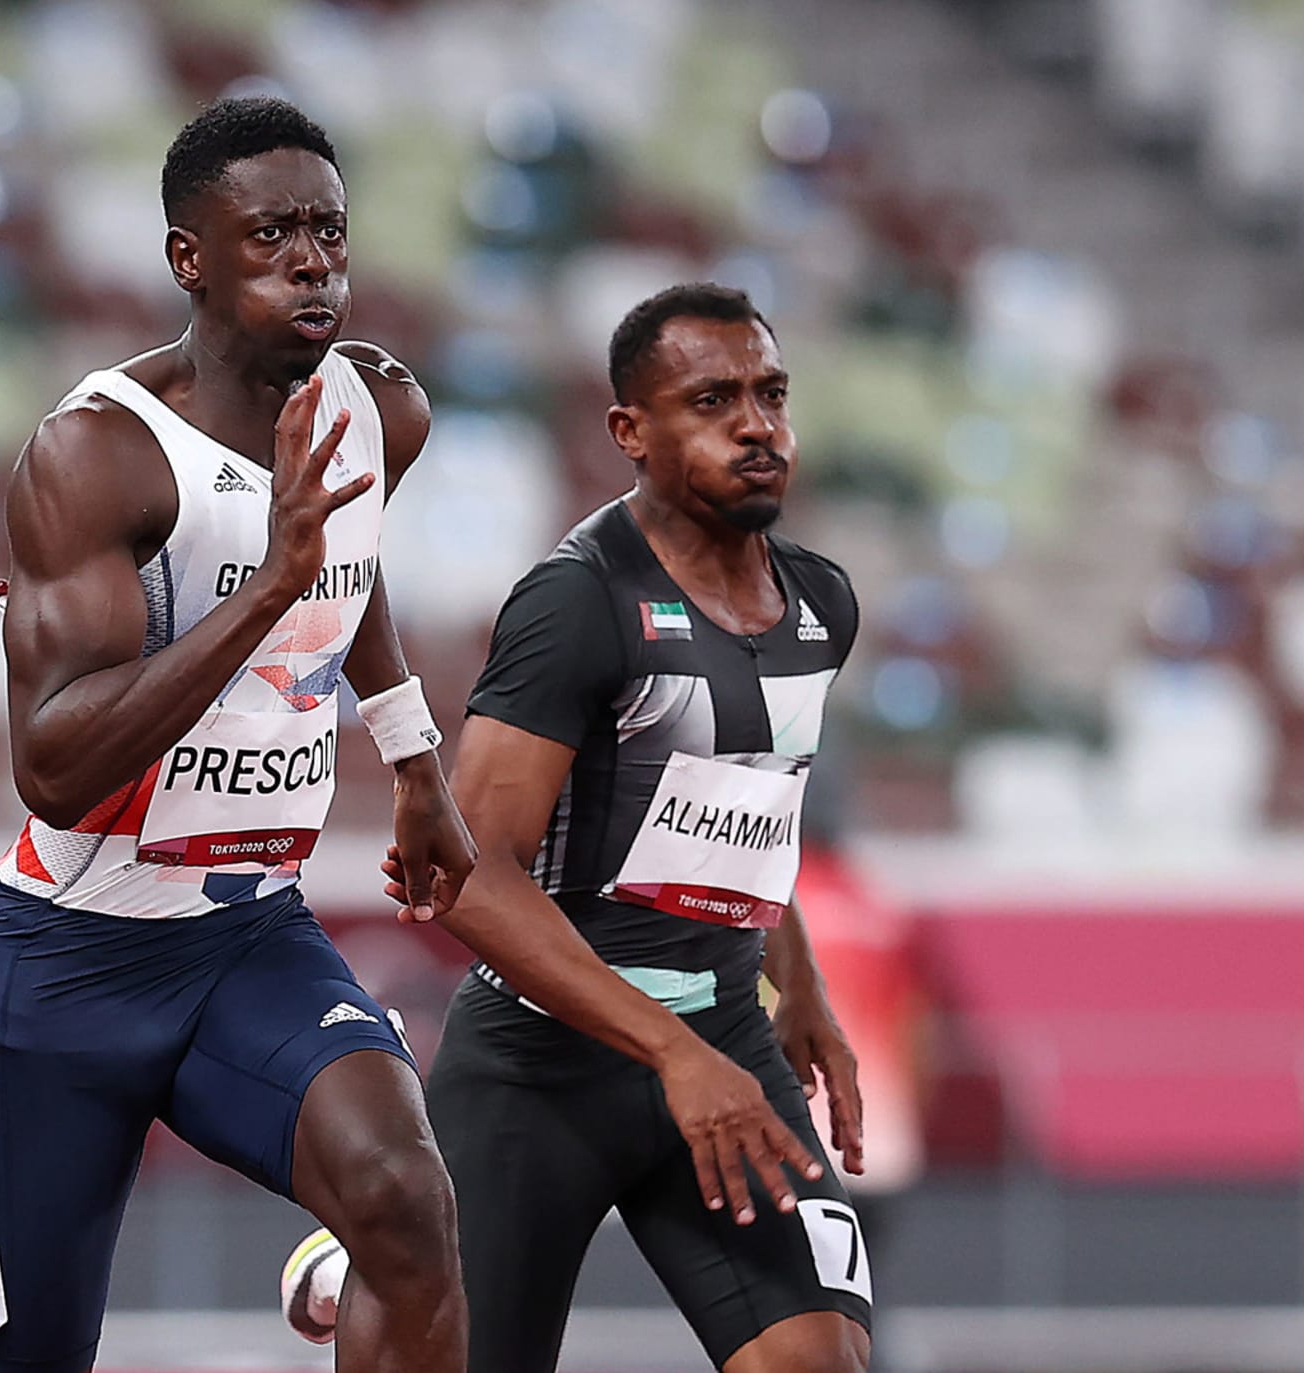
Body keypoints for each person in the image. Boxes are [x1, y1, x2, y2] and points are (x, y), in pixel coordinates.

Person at [0, 97, 476, 1373]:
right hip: (69, 961)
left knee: (408, 1204)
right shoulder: (97, 455)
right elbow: (56, 769)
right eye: (273, 233)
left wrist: (412, 757)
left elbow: (353, 566)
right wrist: (267, 587)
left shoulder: (379, 409)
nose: (313, 262)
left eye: (331, 234)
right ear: (190, 256)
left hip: (245, 933)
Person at [281, 283, 872, 1373]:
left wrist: (802, 991)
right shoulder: (578, 602)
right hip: (538, 1069)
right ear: (630, 432)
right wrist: (668, 1051)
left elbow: (745, 814)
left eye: (770, 393)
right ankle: (372, 1248)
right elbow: (466, 875)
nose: (756, 425)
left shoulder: (819, 606)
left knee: (816, 1359)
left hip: (725, 1044)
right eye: (711, 400)